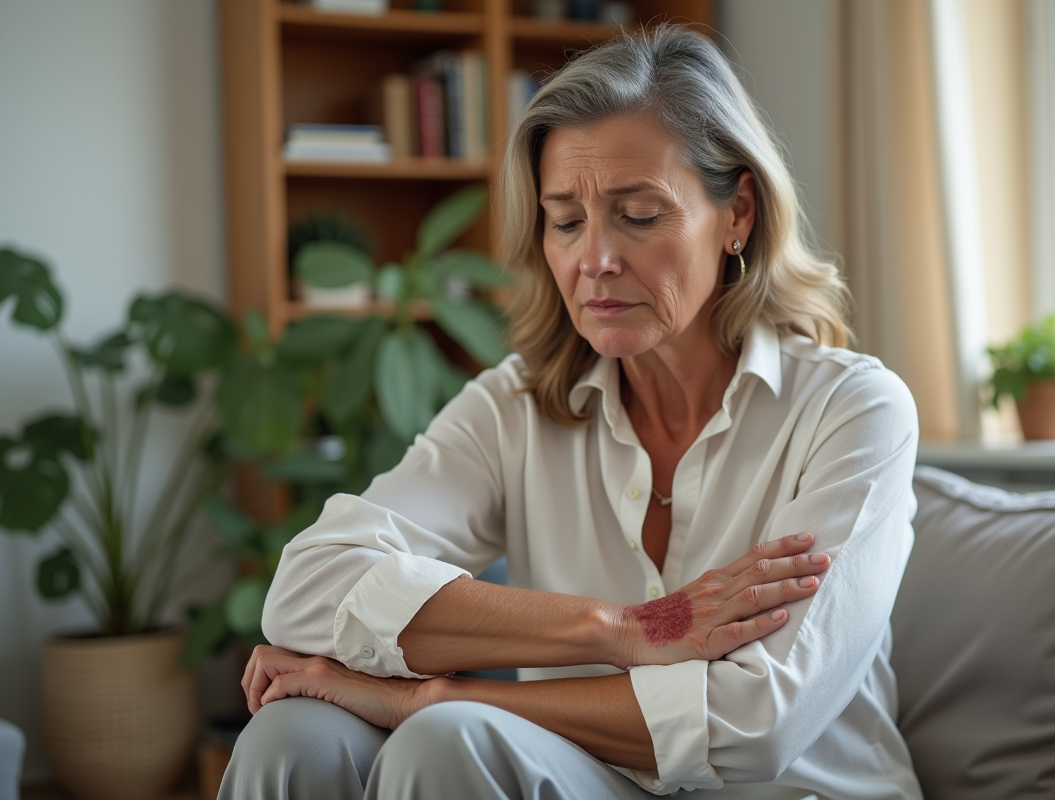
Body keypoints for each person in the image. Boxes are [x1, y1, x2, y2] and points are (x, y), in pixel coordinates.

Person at [220, 25, 923, 800]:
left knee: (445, 735)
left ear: (739, 214)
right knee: (290, 735)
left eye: (640, 214)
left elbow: (754, 724)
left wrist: (435, 694)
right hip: (592, 778)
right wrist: (620, 628)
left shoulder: (854, 410)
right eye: (566, 220)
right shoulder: (516, 405)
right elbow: (306, 587)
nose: (595, 259)